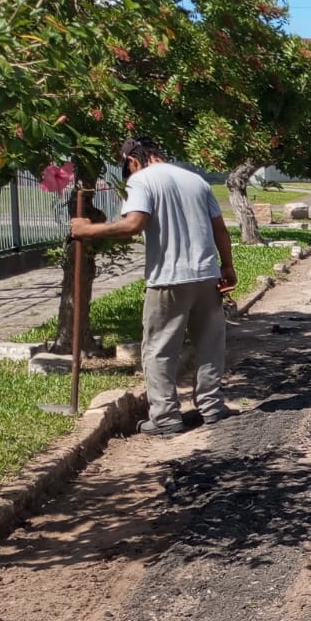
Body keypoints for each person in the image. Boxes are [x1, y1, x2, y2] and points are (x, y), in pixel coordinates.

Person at [71, 138, 238, 436]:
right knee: (210, 345)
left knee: (159, 348)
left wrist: (88, 230)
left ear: (133, 161)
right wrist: (227, 267)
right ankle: (213, 408)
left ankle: (165, 418)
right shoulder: (197, 180)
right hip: (206, 275)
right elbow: (220, 230)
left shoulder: (141, 181)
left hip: (168, 279)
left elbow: (133, 224)